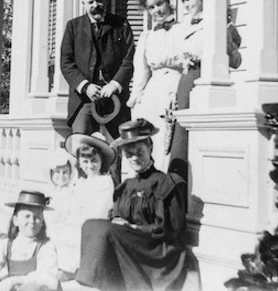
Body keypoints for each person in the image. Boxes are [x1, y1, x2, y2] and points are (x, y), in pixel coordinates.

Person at [76, 119, 200, 291]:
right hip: (131, 244)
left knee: (103, 229)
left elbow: (171, 229)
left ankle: (95, 282)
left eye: (139, 151)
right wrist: (119, 222)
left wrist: (134, 227)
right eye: (129, 153)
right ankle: (92, 282)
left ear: (150, 148)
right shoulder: (125, 187)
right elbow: (115, 216)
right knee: (90, 225)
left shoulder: (166, 183)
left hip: (157, 251)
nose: (135, 158)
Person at [60, 0, 134, 181]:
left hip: (114, 101)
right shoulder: (73, 27)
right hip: (83, 100)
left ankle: (113, 202)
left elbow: (129, 59)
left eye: (99, 1)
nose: (96, 5)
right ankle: (83, 202)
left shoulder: (121, 25)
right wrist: (85, 86)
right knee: (82, 153)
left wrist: (115, 84)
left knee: (114, 152)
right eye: (91, 1)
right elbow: (66, 62)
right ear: (84, 3)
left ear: (106, 1)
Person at [128, 0, 190, 172]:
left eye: (159, 4)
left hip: (178, 88)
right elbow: (141, 73)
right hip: (153, 94)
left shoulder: (184, 29)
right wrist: (136, 101)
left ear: (168, 2)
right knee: (151, 139)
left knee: (172, 142)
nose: (157, 10)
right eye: (151, 7)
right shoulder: (147, 37)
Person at [53, 132, 116, 279]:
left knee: (72, 237)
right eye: (85, 162)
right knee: (56, 233)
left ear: (101, 161)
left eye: (94, 161)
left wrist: (75, 222)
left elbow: (98, 211)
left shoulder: (104, 182)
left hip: (92, 226)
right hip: (75, 223)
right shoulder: (80, 183)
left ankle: (70, 271)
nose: (90, 166)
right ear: (80, 163)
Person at [0, 190, 59, 291]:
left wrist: (15, 281)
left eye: (37, 217)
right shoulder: (5, 244)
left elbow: (46, 277)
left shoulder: (46, 246)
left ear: (42, 221)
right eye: (27, 216)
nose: (32, 221)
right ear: (16, 220)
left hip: (34, 288)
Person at [45, 148, 77, 227]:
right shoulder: (48, 191)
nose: (61, 176)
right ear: (51, 173)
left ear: (70, 174)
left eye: (65, 172)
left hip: (65, 227)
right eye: (57, 172)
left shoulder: (72, 191)